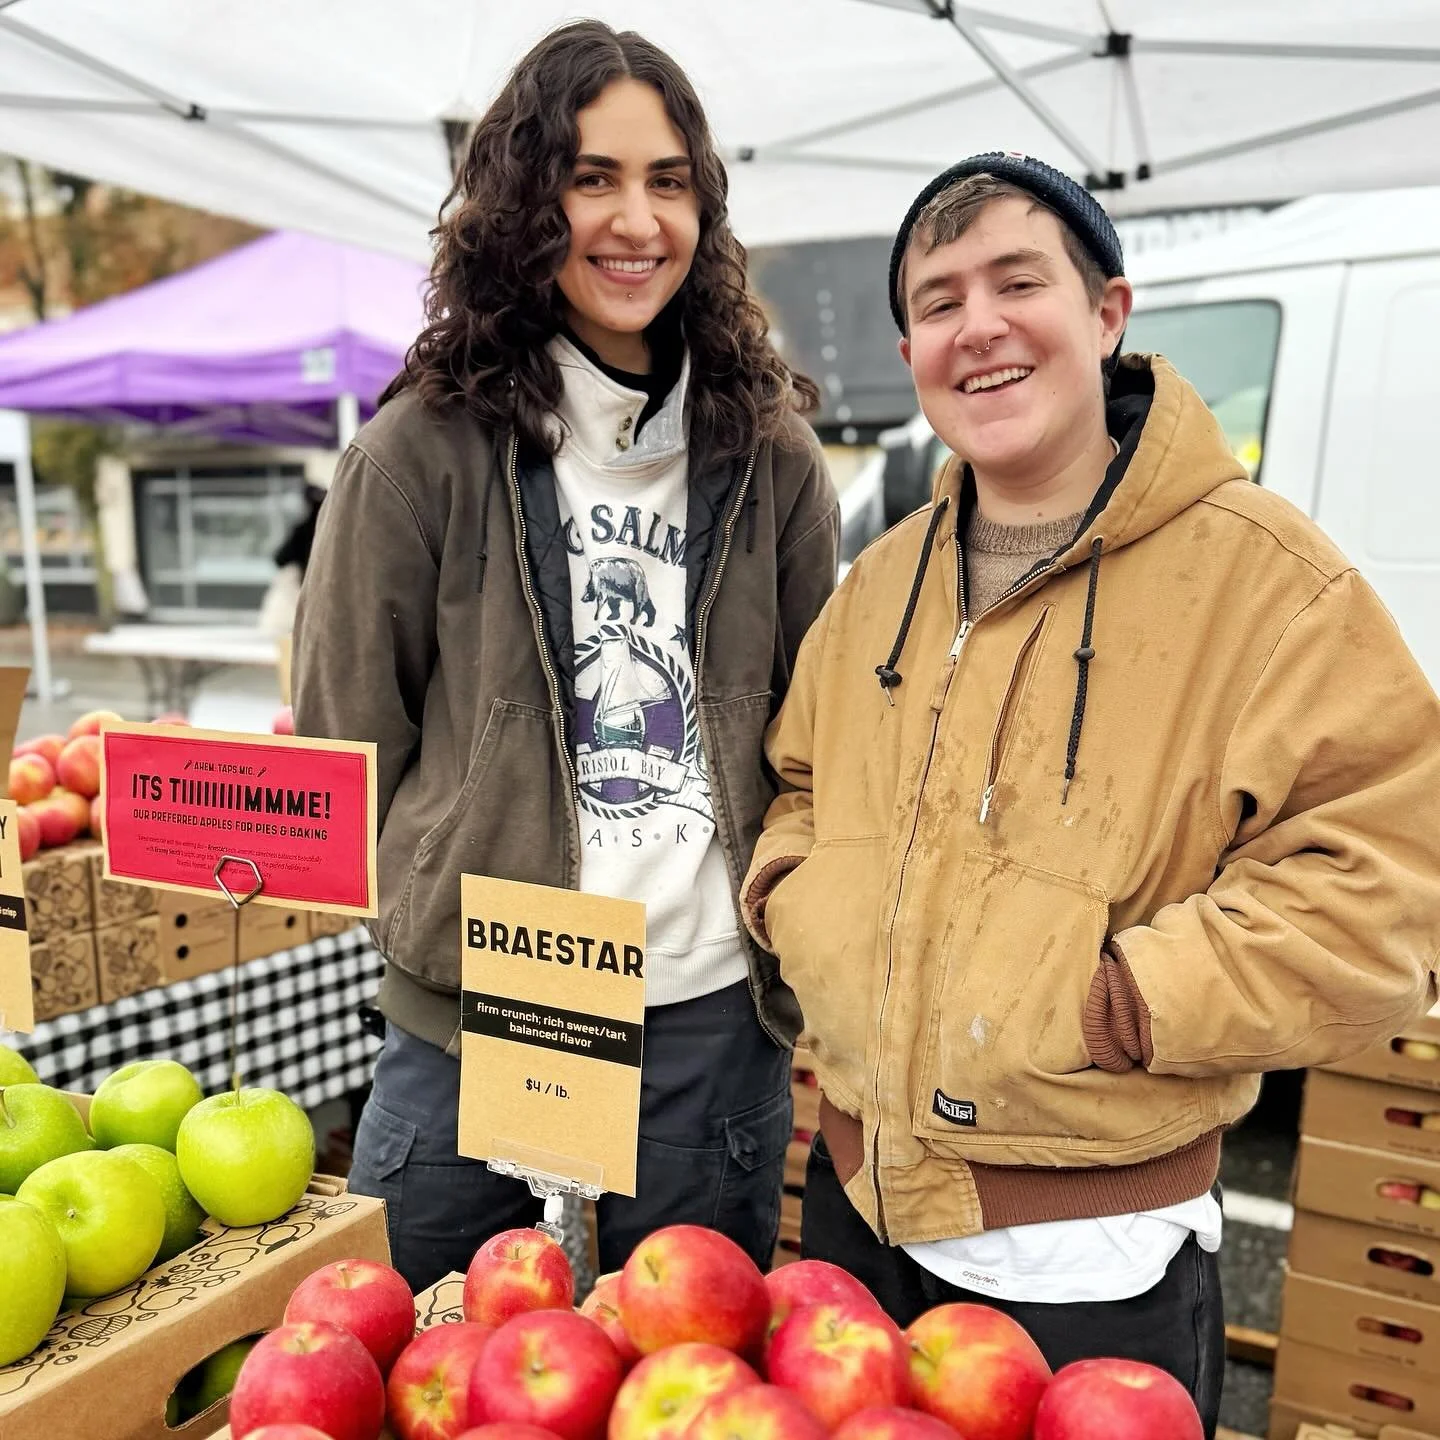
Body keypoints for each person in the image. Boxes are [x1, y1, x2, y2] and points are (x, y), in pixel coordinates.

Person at [741, 153, 1440, 1435]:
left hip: (1088, 1268)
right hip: (848, 1222)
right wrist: (796, 896)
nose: (981, 326)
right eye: (940, 300)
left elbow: (1383, 894)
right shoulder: (881, 581)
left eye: (1020, 281)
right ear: (909, 350)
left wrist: (1123, 1000)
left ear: (1109, 312)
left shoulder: (1276, 586)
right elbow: (799, 782)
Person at [293, 21, 837, 1292]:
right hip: (482, 1021)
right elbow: (345, 746)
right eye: (591, 177)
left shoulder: (770, 455)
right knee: (429, 1372)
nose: (634, 219)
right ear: (525, 200)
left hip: (704, 1023)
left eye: (667, 180)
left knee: (685, 1396)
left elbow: (823, 746)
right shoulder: (416, 452)